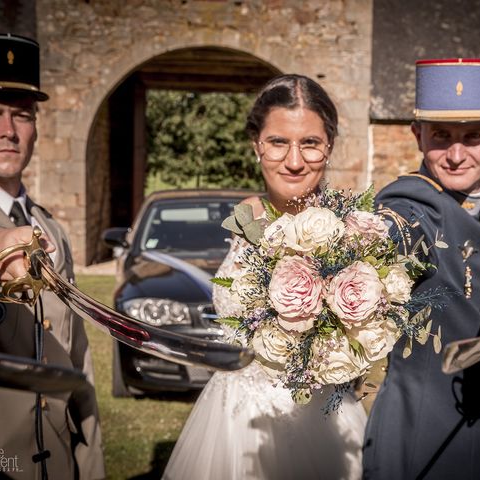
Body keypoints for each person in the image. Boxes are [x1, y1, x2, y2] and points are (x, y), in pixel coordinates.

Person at [163, 74, 367, 480]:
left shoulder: (351, 231)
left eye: (310, 143)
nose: (294, 160)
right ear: (256, 144)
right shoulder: (244, 217)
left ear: (329, 146)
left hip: (323, 420)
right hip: (234, 421)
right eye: (278, 142)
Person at [362, 58, 480, 479]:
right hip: (425, 426)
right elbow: (400, 227)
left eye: (473, 137)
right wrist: (373, 241)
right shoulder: (413, 202)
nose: (455, 154)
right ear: (417, 134)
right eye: (441, 136)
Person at [0, 33, 104, 479]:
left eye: (23, 116)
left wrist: (89, 465)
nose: (9, 130)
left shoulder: (50, 228)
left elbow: (78, 359)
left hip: (55, 458)